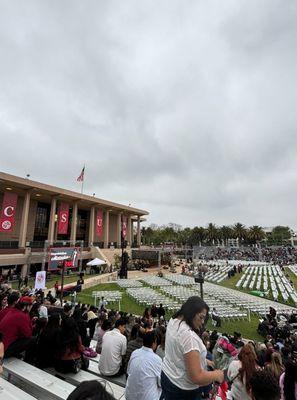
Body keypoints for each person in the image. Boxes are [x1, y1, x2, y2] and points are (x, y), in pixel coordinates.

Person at [161, 296, 224, 400]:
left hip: (168, 375)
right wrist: (217, 375)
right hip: (182, 389)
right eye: (201, 317)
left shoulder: (174, 321)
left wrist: (205, 361)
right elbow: (196, 377)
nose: (203, 322)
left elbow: (180, 353)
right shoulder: (189, 337)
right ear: (191, 312)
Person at [125, 331, 162, 400]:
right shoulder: (157, 359)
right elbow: (161, 383)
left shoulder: (135, 353)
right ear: (154, 343)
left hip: (129, 396)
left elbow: (128, 371)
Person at [0, 296, 35, 361]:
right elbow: (28, 334)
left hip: (3, 345)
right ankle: (28, 361)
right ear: (26, 306)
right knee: (32, 339)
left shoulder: (12, 311)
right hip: (4, 350)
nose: (31, 308)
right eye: (31, 306)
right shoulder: (22, 315)